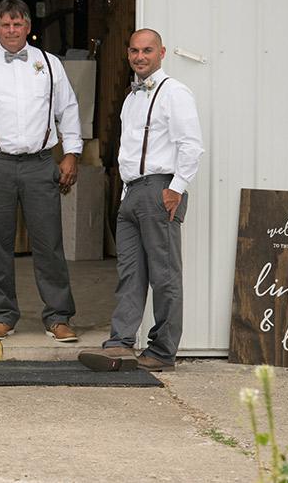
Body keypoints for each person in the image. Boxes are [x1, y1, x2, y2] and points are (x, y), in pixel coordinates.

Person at [0, 0, 82, 344]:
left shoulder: (49, 64)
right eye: (5, 25)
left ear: (28, 27)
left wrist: (72, 153)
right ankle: (2, 315)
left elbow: (68, 109)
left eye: (17, 24)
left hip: (40, 163)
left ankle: (58, 316)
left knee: (49, 243)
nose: (11, 30)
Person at [79, 28, 204, 373]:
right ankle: (119, 343)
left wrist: (175, 188)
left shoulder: (174, 92)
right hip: (131, 192)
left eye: (147, 50)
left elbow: (191, 145)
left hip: (159, 189)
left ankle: (162, 351)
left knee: (164, 275)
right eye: (134, 50)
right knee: (129, 273)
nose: (139, 57)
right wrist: (123, 193)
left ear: (162, 52)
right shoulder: (132, 96)